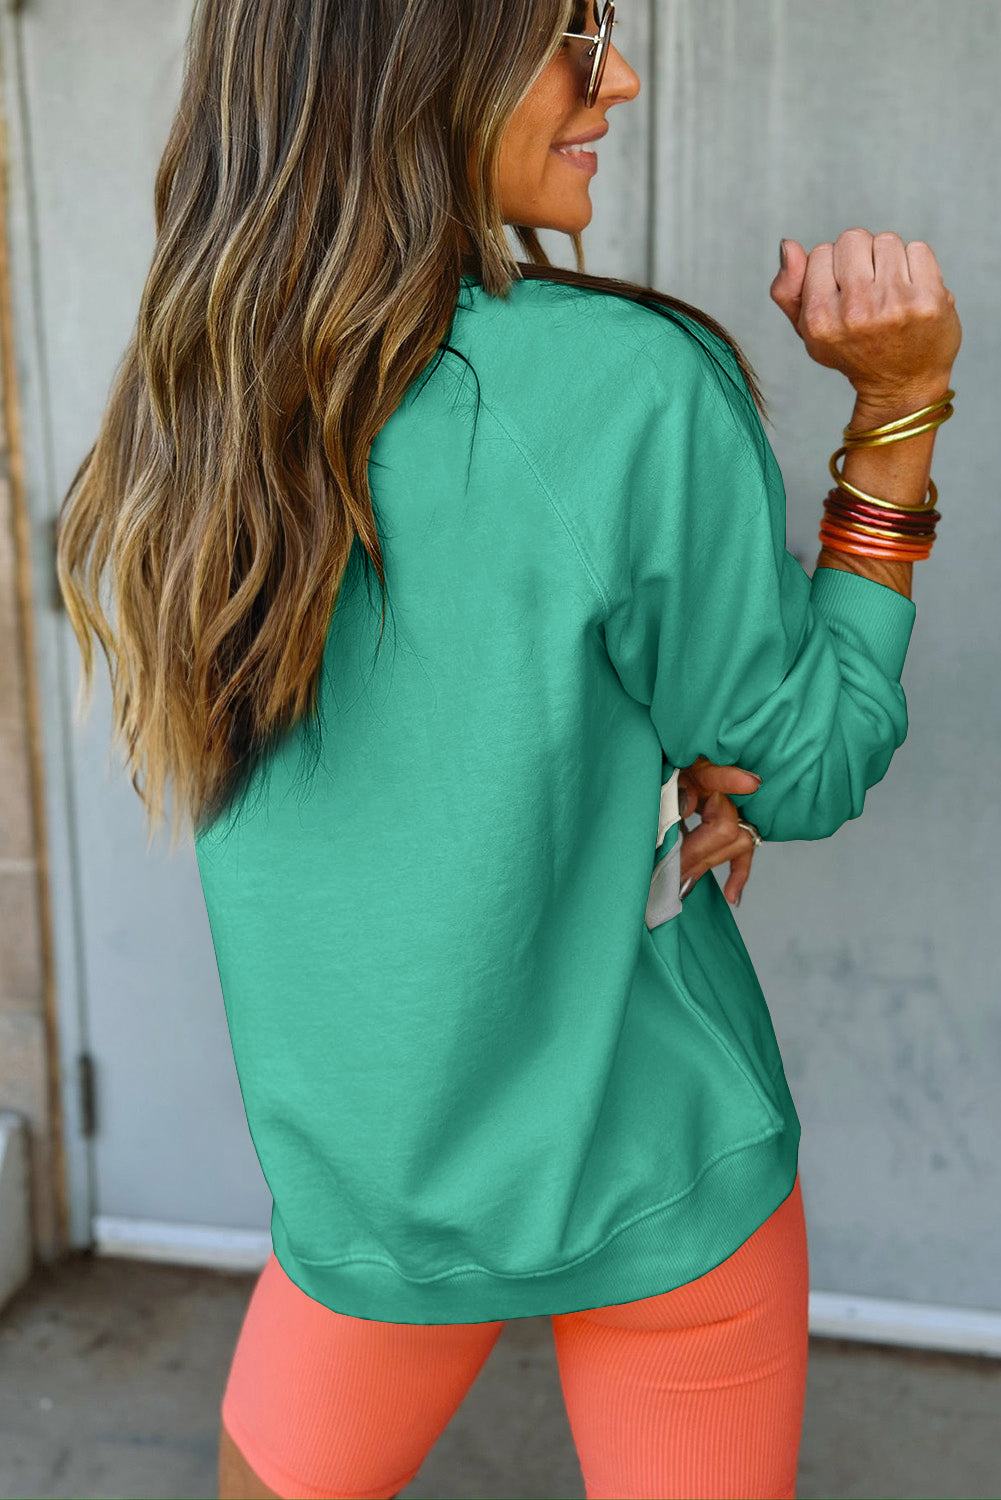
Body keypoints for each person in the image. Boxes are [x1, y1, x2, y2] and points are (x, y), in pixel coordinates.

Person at [54, 1, 961, 1497]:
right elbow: (806, 765)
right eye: (570, 29)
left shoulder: (193, 397)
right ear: (413, 55)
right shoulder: (625, 386)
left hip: (371, 1194)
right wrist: (898, 410)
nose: (620, 74)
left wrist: (634, 755)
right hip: (656, 1163)